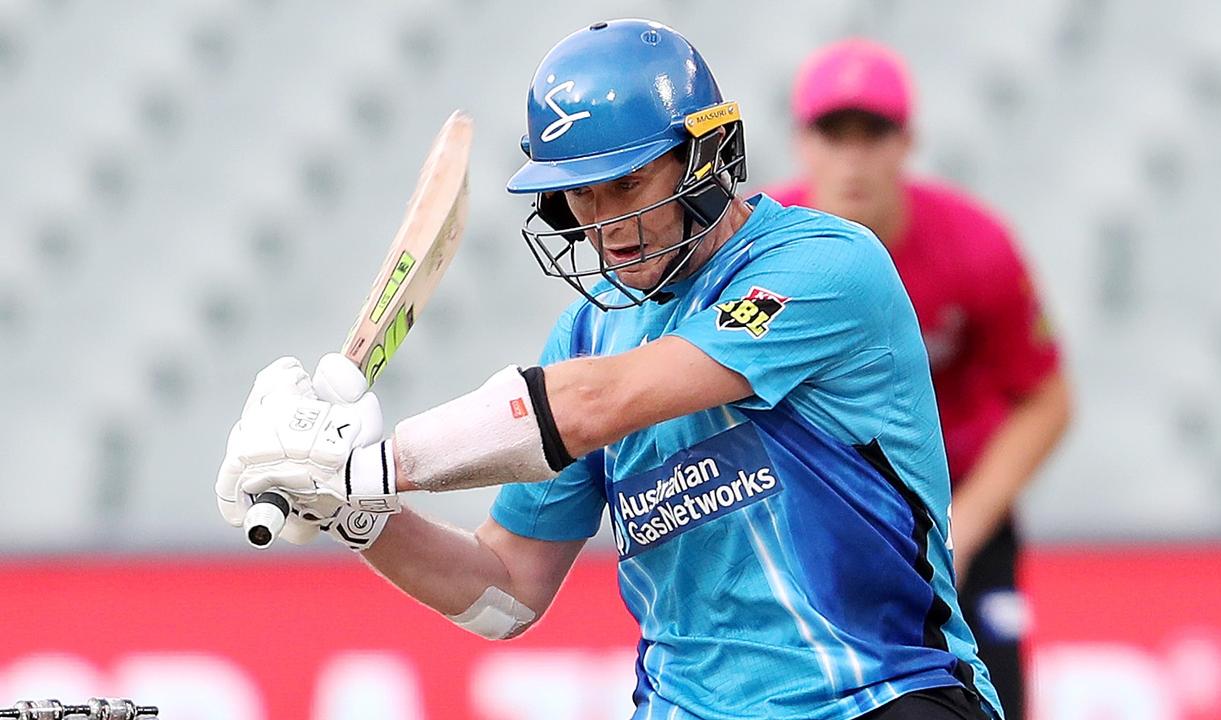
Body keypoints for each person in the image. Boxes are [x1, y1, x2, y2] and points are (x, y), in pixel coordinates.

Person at [216, 20, 1003, 720]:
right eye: (578, 197)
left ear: (706, 157)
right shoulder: (587, 332)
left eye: (628, 183)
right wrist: (360, 516)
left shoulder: (823, 266)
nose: (606, 224)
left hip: (884, 693)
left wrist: (369, 466)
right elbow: (506, 592)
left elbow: (601, 403)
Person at [763, 39, 1073, 720]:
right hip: (818, 516)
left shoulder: (976, 246)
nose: (852, 158)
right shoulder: (757, 254)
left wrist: (961, 525)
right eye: (832, 133)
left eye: (873, 134)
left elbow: (1047, 401)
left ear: (908, 142)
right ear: (801, 143)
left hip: (957, 508)